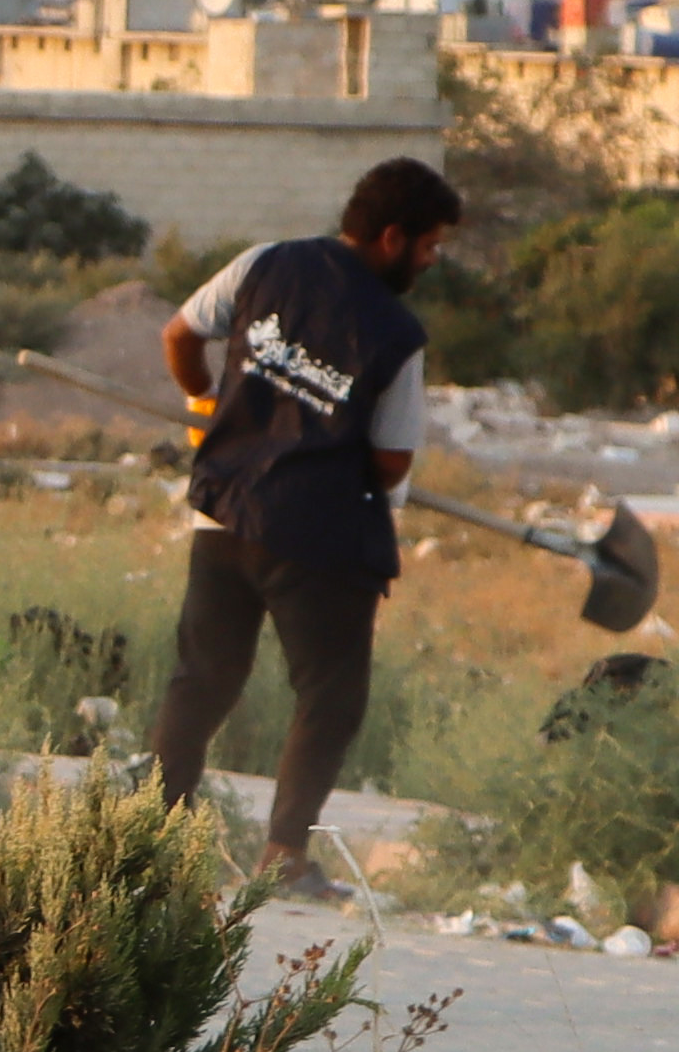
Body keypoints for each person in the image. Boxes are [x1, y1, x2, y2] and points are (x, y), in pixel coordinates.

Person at [145, 154, 466, 899]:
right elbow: (389, 460)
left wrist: (204, 408)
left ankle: (151, 842)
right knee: (329, 697)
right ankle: (284, 857)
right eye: (429, 245)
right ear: (392, 237)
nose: (432, 259)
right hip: (318, 540)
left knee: (202, 681)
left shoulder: (266, 263)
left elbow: (178, 337)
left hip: (222, 511)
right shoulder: (396, 333)